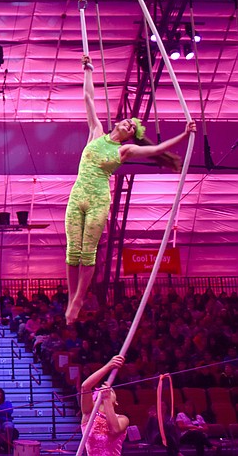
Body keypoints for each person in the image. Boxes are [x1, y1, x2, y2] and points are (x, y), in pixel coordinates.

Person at [65, 55, 195, 323]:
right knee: (72, 251)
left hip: (98, 199)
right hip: (77, 196)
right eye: (127, 122)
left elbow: (157, 150)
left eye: (132, 128)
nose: (128, 124)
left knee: (88, 253)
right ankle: (71, 298)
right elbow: (88, 98)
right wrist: (88, 70)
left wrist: (184, 134)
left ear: (130, 136)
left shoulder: (125, 150)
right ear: (118, 123)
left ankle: (79, 298)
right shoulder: (96, 132)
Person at [80, 356, 129, 456]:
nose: (107, 390)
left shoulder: (122, 419)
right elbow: (85, 387)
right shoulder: (89, 413)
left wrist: (107, 400)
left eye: (111, 391)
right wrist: (109, 365)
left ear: (116, 402)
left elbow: (114, 430)